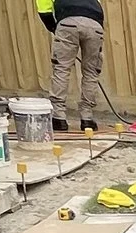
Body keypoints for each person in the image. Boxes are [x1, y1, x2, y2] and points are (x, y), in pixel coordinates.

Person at [37, 0, 105, 134]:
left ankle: (59, 117)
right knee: (91, 72)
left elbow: (44, 10)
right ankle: (87, 118)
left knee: (61, 68)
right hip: (95, 24)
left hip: (67, 21)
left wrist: (54, 28)